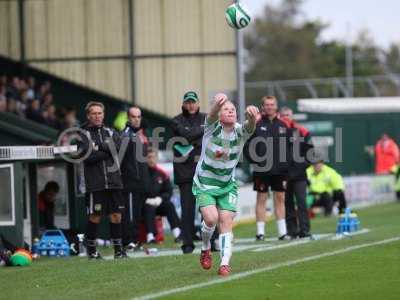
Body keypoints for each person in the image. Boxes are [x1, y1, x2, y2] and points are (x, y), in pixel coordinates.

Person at [194, 93, 257, 276]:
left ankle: (224, 263)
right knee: (211, 219)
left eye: (233, 109)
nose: (230, 111)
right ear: (220, 114)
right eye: (226, 109)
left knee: (226, 221)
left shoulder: (239, 131)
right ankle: (205, 248)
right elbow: (211, 115)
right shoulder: (212, 128)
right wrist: (216, 104)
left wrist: (252, 117)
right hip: (205, 183)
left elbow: (250, 127)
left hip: (227, 184)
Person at [79, 101, 125, 259]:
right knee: (95, 216)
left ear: (103, 115)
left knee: (116, 215)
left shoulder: (111, 132)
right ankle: (91, 251)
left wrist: (97, 146)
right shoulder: (82, 134)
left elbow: (118, 149)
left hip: (114, 181)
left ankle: (119, 251)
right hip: (95, 183)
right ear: (88, 115)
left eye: (100, 113)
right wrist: (107, 150)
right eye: (94, 113)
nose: (97, 116)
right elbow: (88, 157)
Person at [245, 96, 293, 241]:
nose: (270, 107)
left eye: (272, 104)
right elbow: (246, 146)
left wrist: (286, 164)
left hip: (280, 170)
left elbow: (291, 148)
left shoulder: (284, 125)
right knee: (261, 199)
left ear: (276, 106)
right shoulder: (256, 124)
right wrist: (255, 162)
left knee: (280, 198)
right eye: (267, 104)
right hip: (262, 170)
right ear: (263, 107)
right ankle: (260, 233)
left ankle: (282, 232)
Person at [172, 91, 206, 254]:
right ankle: (187, 243)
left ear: (198, 103)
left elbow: (209, 138)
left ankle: (210, 241)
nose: (191, 105)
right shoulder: (176, 120)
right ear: (184, 104)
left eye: (193, 102)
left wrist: (194, 138)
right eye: (188, 102)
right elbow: (185, 135)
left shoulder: (206, 118)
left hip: (204, 170)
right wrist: (200, 134)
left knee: (207, 207)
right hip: (184, 172)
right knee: (187, 210)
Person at [280, 107, 313, 239]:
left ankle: (304, 230)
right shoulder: (277, 132)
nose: (286, 117)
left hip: (299, 175)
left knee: (301, 203)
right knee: (287, 204)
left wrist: (302, 165)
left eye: (288, 114)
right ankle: (292, 231)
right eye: (283, 115)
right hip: (283, 175)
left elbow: (311, 152)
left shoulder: (302, 131)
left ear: (292, 116)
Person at [120, 106, 150, 251]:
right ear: (128, 118)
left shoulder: (141, 134)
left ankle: (135, 239)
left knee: (137, 213)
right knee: (130, 213)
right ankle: (128, 241)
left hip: (141, 182)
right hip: (130, 182)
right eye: (133, 117)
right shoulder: (125, 135)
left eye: (139, 117)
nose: (136, 119)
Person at [143, 148, 181, 243]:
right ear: (146, 159)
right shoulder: (142, 174)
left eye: (153, 157)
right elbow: (138, 191)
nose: (151, 159)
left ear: (156, 158)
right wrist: (145, 199)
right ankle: (150, 236)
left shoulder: (162, 173)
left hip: (159, 202)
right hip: (145, 204)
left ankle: (177, 234)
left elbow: (168, 191)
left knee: (169, 206)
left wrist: (160, 198)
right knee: (149, 208)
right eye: (149, 157)